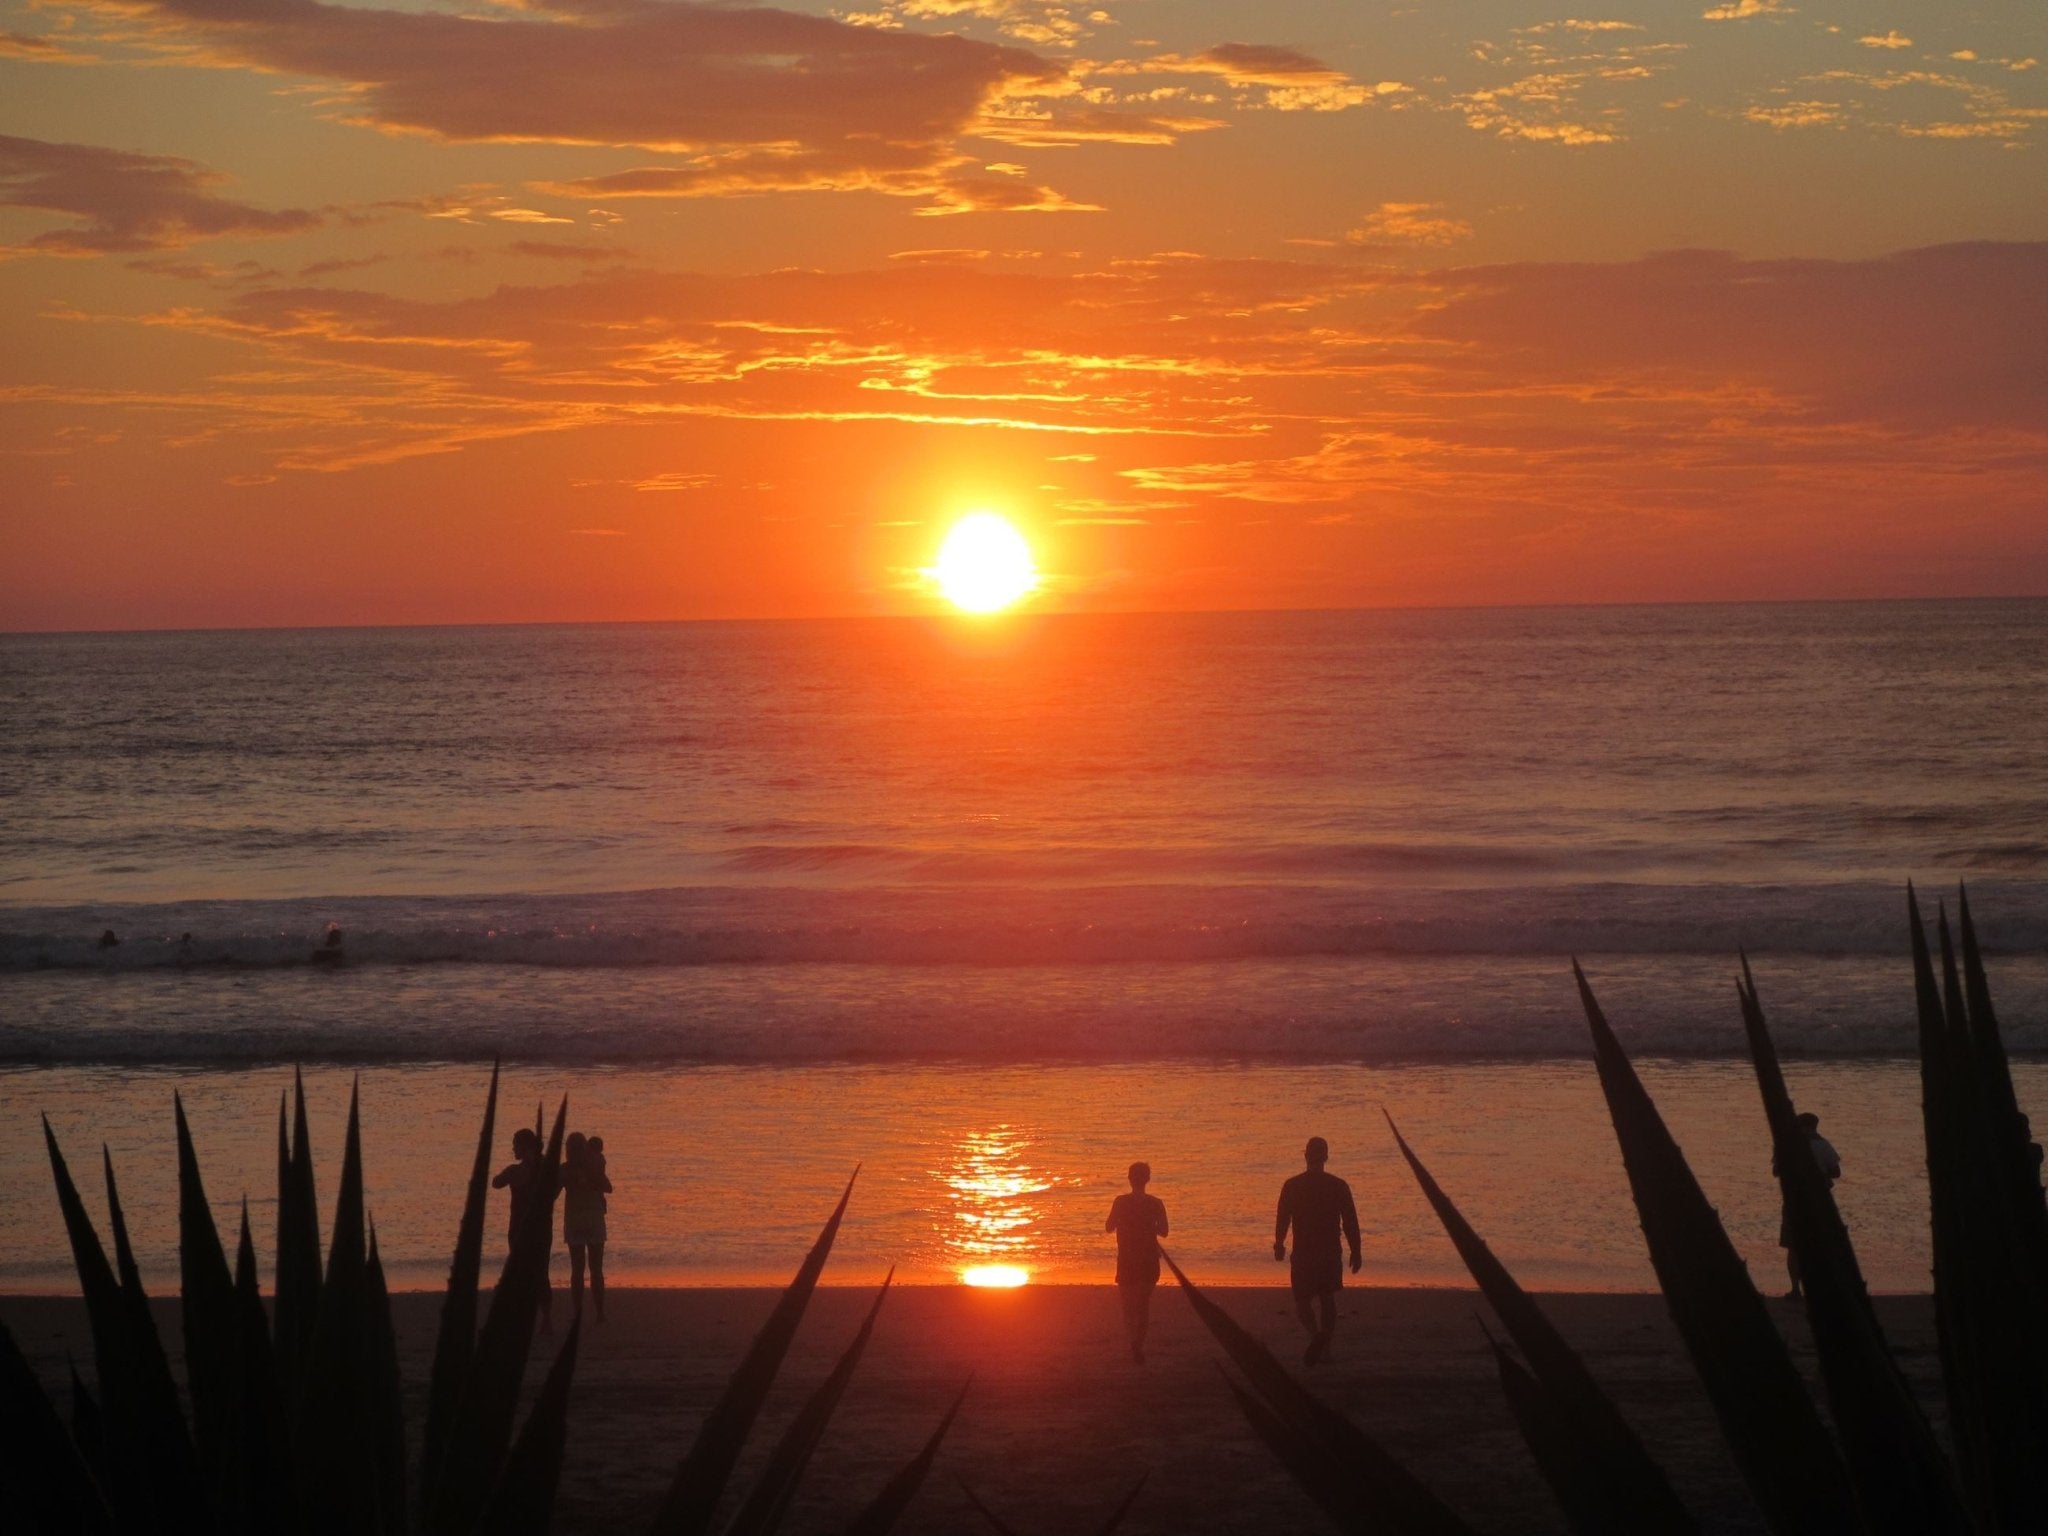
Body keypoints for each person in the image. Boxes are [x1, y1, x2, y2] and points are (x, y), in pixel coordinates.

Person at [1274, 1136, 1361, 1365]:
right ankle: (1326, 1346)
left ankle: (1315, 1336)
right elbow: (1350, 1220)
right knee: (1327, 1298)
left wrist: (1279, 1243)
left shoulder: (1292, 1185)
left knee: (1302, 1302)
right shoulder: (1338, 1186)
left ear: (1305, 1156)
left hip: (1303, 1252)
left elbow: (1283, 1218)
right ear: (1326, 1157)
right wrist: (1356, 1250)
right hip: (1329, 1252)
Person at [1104, 1161, 1170, 1363]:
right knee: (1142, 1306)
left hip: (1127, 1260)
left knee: (1128, 1305)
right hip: (1149, 1260)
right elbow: (1164, 1231)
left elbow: (1108, 1227)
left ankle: (1134, 1342)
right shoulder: (1156, 1203)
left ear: (1130, 1179)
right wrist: (1149, 1227)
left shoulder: (1120, 1202)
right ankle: (1137, 1345)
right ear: (1147, 1179)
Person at [492, 1127, 555, 1332]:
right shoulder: (543, 1169)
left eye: (515, 1144)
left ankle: (534, 1317)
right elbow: (497, 1183)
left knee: (521, 1272)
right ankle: (544, 1318)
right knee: (539, 1271)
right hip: (539, 1229)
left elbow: (496, 1182)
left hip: (522, 1229)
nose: (513, 1148)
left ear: (525, 1146)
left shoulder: (517, 1171)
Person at [1775, 1111, 1841, 1299]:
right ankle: (1822, 1287)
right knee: (1822, 1242)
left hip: (1793, 1199)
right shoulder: (1824, 1145)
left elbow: (1776, 1171)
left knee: (1793, 1246)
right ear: (1815, 1126)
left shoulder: (1786, 1145)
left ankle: (1796, 1289)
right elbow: (1836, 1172)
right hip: (1820, 1199)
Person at [561, 1131, 612, 1322]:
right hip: (593, 1219)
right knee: (596, 1269)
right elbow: (608, 1187)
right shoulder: (594, 1167)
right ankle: (599, 1313)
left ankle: (577, 1314)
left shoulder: (565, 1169)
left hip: (574, 1220)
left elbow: (553, 1191)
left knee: (577, 1269)